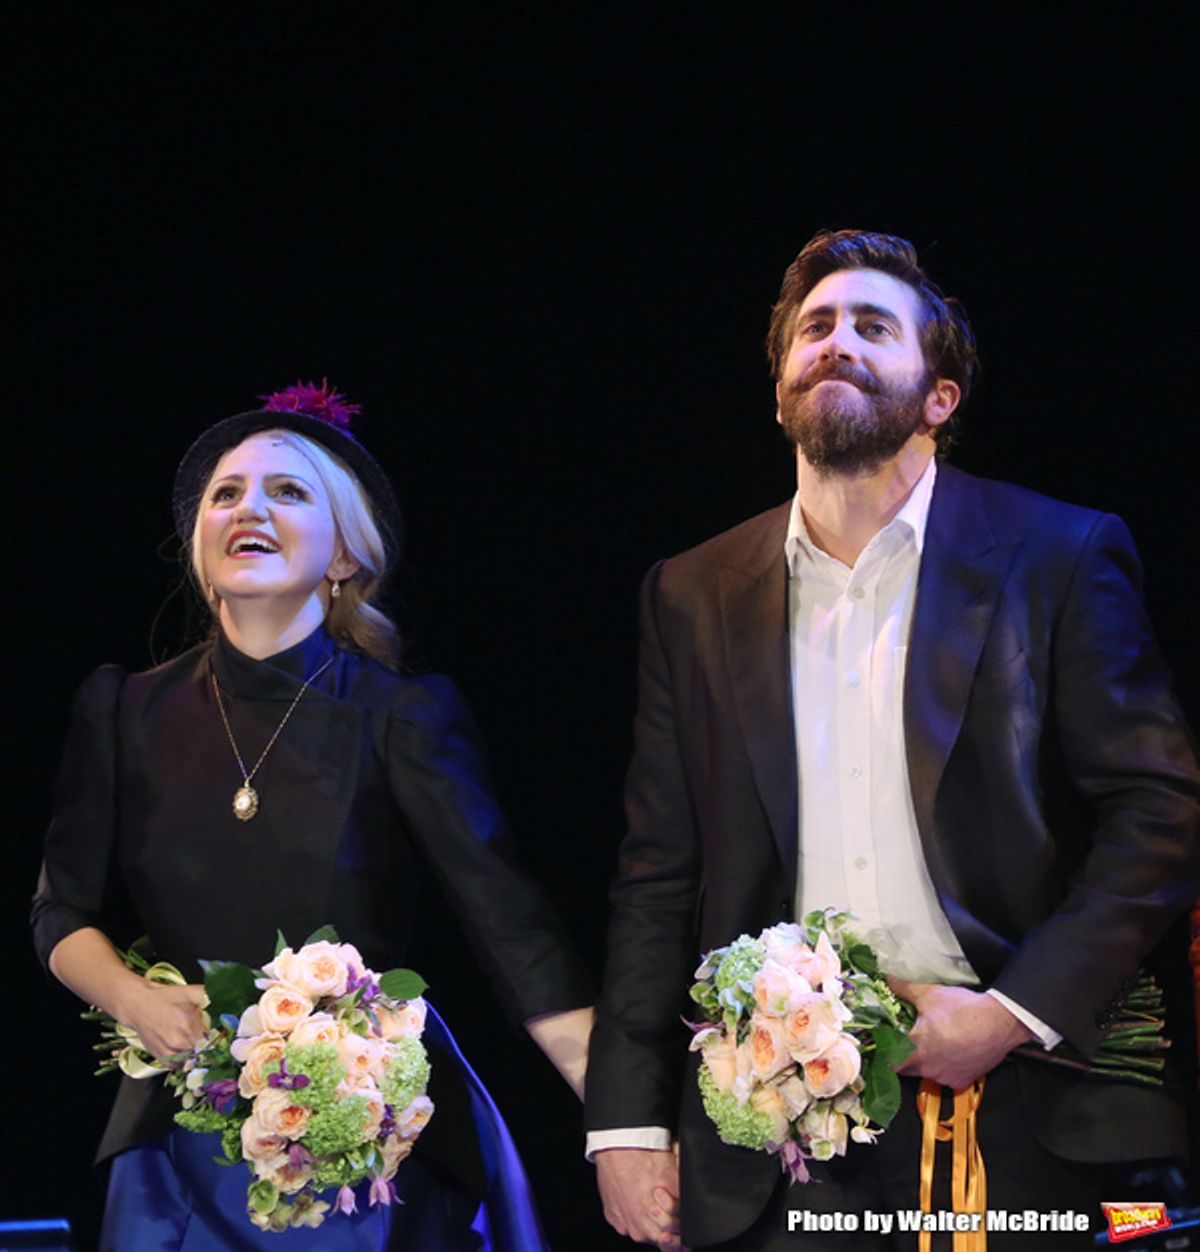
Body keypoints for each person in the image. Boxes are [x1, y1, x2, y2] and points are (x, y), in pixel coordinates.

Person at [584, 231, 1200, 1250]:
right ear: (782, 388)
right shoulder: (692, 593)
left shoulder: (1058, 552)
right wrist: (626, 1119)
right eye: (815, 328)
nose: (838, 343)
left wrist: (1012, 1009)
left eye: (874, 326)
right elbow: (658, 872)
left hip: (1039, 1102)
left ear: (939, 395)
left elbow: (1162, 809)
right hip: (790, 1133)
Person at [32, 381, 594, 1251]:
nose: (247, 506)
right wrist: (132, 998)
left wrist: (627, 1120)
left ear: (342, 557)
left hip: (368, 1138)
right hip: (182, 1141)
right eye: (227, 493)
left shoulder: (401, 714)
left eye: (287, 491)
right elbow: (59, 910)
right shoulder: (123, 710)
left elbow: (512, 932)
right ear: (199, 544)